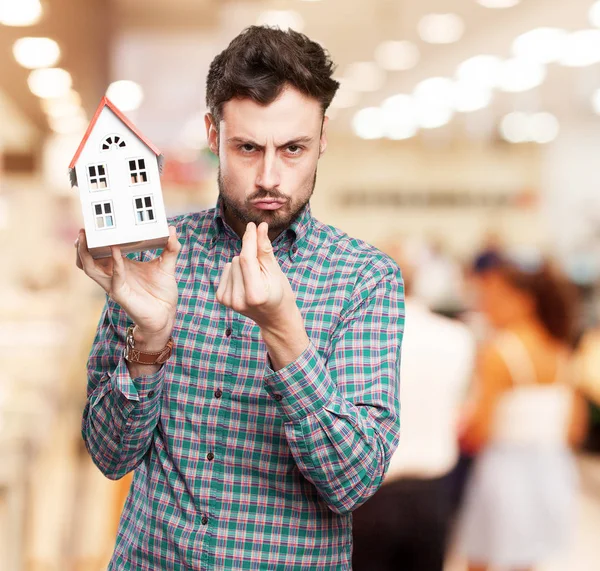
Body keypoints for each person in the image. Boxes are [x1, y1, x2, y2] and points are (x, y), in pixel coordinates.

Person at [75, 26, 404, 570]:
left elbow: (354, 483)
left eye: (293, 148)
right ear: (213, 133)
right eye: (248, 147)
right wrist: (150, 342)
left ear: (322, 136)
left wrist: (284, 332)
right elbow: (110, 456)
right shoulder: (153, 257)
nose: (270, 177)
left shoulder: (365, 280)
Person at [456, 254, 588, 571]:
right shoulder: (559, 349)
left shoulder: (500, 352)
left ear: (523, 300)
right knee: (525, 561)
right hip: (553, 469)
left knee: (481, 557)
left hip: (504, 471)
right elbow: (574, 428)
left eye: (493, 296)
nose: (485, 305)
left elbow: (480, 429)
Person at [353, 241, 475, 571]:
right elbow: (463, 410)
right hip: (433, 490)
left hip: (370, 493)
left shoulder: (358, 338)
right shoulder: (457, 336)